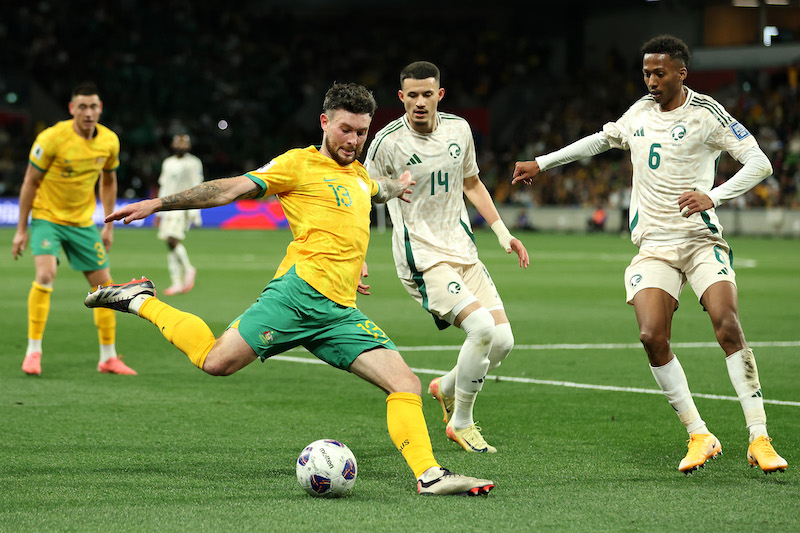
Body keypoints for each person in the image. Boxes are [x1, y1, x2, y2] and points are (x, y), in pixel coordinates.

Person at [85, 83, 495, 496]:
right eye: (345, 130)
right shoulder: (297, 165)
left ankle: (430, 475)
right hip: (297, 297)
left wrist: (397, 184)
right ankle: (141, 300)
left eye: (361, 132)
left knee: (405, 383)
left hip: (340, 312)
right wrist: (158, 204)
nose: (353, 141)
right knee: (214, 361)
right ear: (325, 122)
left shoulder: (358, 175)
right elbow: (229, 189)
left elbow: (376, 191)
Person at [512, 35, 787, 475]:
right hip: (655, 246)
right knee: (651, 336)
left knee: (727, 325)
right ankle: (699, 434)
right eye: (646, 74)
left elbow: (760, 163)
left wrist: (713, 196)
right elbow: (599, 141)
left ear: (682, 73)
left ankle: (760, 437)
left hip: (700, 240)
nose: (652, 81)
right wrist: (541, 163)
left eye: (660, 73)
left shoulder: (707, 113)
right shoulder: (638, 112)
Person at [366, 61, 529, 454]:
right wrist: (389, 190)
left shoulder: (459, 130)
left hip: (462, 250)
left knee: (502, 341)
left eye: (427, 94)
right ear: (401, 97)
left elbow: (472, 183)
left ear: (439, 94)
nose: (420, 102)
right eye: (412, 95)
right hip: (422, 257)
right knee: (481, 328)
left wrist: (502, 232)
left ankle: (447, 387)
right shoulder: (387, 143)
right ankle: (461, 423)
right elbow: (364, 193)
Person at [11, 81, 137, 376]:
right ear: (71, 109)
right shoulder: (51, 138)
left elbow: (109, 181)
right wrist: (21, 229)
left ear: (100, 108)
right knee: (45, 274)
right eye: (82, 107)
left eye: (93, 106)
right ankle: (33, 352)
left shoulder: (109, 141)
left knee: (105, 287)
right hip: (48, 218)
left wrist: (108, 225)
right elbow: (30, 181)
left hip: (82, 223)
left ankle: (108, 358)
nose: (88, 113)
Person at [156, 134, 203, 295]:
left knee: (172, 240)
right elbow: (163, 186)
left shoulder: (194, 163)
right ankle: (176, 282)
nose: (181, 146)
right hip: (167, 206)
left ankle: (189, 269)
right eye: (178, 143)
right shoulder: (167, 162)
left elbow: (197, 186)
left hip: (183, 206)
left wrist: (195, 212)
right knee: (169, 243)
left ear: (189, 146)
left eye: (184, 144)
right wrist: (158, 210)